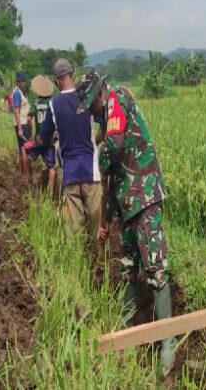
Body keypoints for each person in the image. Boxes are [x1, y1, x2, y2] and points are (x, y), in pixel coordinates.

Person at [76, 69, 176, 375]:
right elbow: (108, 178)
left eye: (92, 105)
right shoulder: (105, 117)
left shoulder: (116, 99)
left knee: (156, 269)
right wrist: (106, 219)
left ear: (100, 94)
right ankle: (125, 327)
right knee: (129, 267)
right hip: (126, 204)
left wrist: (102, 153)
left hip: (144, 197)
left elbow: (115, 148)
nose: (92, 112)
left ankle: (167, 342)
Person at [39, 59, 102, 240]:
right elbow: (104, 124)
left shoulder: (54, 104)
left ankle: (79, 264)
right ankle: (97, 263)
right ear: (73, 76)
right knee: (96, 228)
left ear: (57, 81)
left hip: (71, 173)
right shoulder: (86, 97)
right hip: (91, 171)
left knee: (76, 230)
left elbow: (43, 137)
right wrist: (95, 143)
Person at [28, 75, 57, 197]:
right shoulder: (53, 103)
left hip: (39, 138)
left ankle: (32, 183)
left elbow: (29, 119)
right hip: (49, 139)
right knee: (51, 167)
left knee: (31, 157)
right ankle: (51, 193)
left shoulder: (35, 103)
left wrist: (31, 134)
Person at [12, 71, 31, 180]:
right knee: (24, 149)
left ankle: (22, 173)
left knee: (22, 148)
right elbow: (16, 111)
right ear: (19, 82)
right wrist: (20, 128)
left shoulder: (20, 92)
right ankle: (26, 175)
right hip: (22, 124)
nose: (24, 83)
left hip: (23, 124)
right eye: (23, 81)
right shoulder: (17, 93)